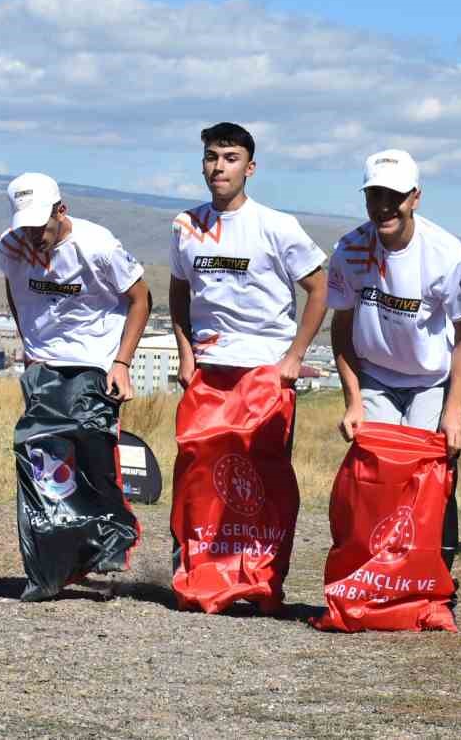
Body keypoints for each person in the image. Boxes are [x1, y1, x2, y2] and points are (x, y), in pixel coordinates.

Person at [168, 122, 328, 614]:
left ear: (250, 167)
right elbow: (179, 290)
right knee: (200, 473)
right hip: (211, 370)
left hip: (265, 372)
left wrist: (294, 358)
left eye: (231, 157)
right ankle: (202, 577)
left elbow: (320, 289)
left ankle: (261, 581)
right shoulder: (186, 226)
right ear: (202, 164)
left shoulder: (276, 226)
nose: (220, 166)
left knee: (264, 479)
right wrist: (185, 352)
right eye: (212, 157)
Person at [0, 172, 149, 601]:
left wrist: (121, 363)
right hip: (44, 362)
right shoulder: (11, 246)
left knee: (89, 445)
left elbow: (141, 298)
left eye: (39, 227)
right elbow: (15, 287)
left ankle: (112, 534)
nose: (32, 237)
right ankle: (50, 564)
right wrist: (27, 339)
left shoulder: (97, 246)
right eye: (24, 227)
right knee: (40, 457)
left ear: (60, 211)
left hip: (94, 361)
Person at [330, 149, 461, 455]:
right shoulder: (348, 250)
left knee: (425, 468)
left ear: (415, 198)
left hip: (430, 381)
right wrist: (353, 402)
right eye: (375, 195)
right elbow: (341, 326)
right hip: (375, 376)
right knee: (378, 466)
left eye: (395, 196)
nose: (384, 206)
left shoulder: (446, 253)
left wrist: (453, 413)